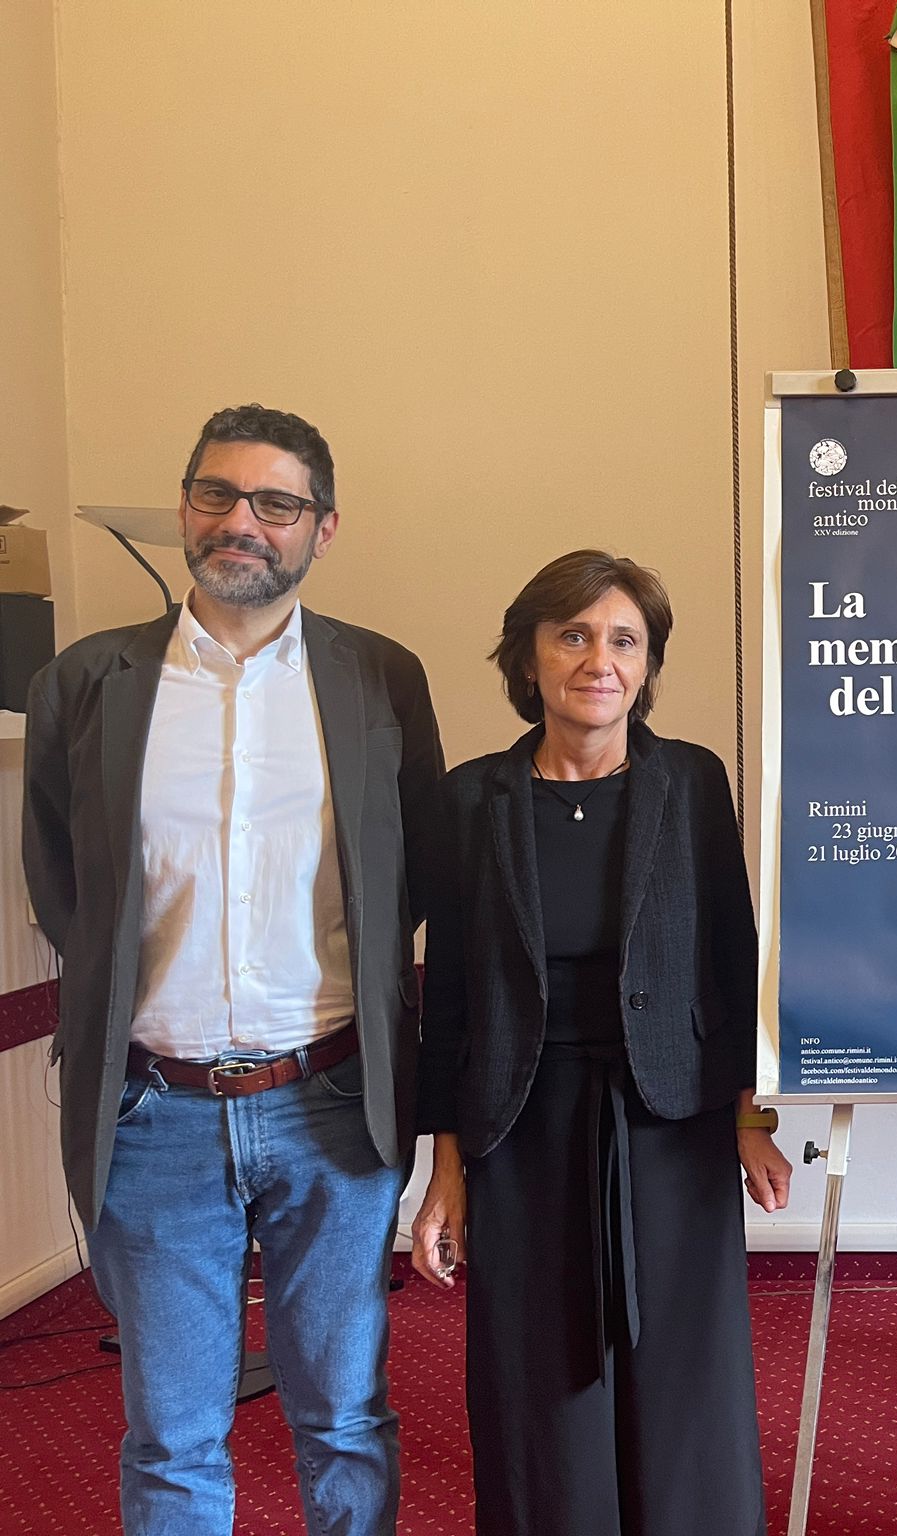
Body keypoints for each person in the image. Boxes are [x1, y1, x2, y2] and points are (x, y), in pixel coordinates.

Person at [21, 404, 443, 1533]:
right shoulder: (86, 682)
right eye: (217, 494)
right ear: (184, 508)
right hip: (153, 1111)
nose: (241, 521)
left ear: (323, 527)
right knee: (172, 1437)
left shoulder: (381, 679)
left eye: (276, 502)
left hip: (334, 1101)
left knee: (344, 1415)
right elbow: (63, 883)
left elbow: (416, 873)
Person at [410, 549, 791, 1536]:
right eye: (573, 635)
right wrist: (444, 1170)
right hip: (518, 1122)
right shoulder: (470, 799)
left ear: (647, 662)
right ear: (527, 655)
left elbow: (732, 953)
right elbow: (448, 991)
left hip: (672, 1115)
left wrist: (750, 1119)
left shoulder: (691, 782)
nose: (599, 660)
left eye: (624, 640)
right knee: (537, 1380)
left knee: (684, 1372)